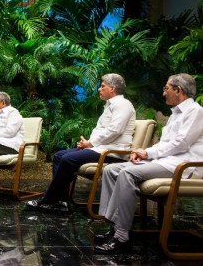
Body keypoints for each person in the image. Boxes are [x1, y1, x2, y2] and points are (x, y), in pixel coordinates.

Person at [94, 73, 203, 254]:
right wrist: (146, 155)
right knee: (111, 170)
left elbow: (181, 143)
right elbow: (165, 143)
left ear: (179, 90)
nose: (164, 93)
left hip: (183, 166)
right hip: (167, 161)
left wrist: (148, 152)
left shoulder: (196, 111)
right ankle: (114, 227)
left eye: (166, 88)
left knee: (127, 173)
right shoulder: (176, 113)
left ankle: (122, 237)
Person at [26, 73, 135, 213]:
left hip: (112, 152)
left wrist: (90, 143)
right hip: (99, 148)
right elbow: (103, 130)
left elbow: (115, 130)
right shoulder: (110, 105)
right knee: (59, 155)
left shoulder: (123, 105)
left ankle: (48, 200)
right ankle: (61, 202)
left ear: (112, 88)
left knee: (67, 159)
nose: (99, 89)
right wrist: (89, 143)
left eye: (102, 86)